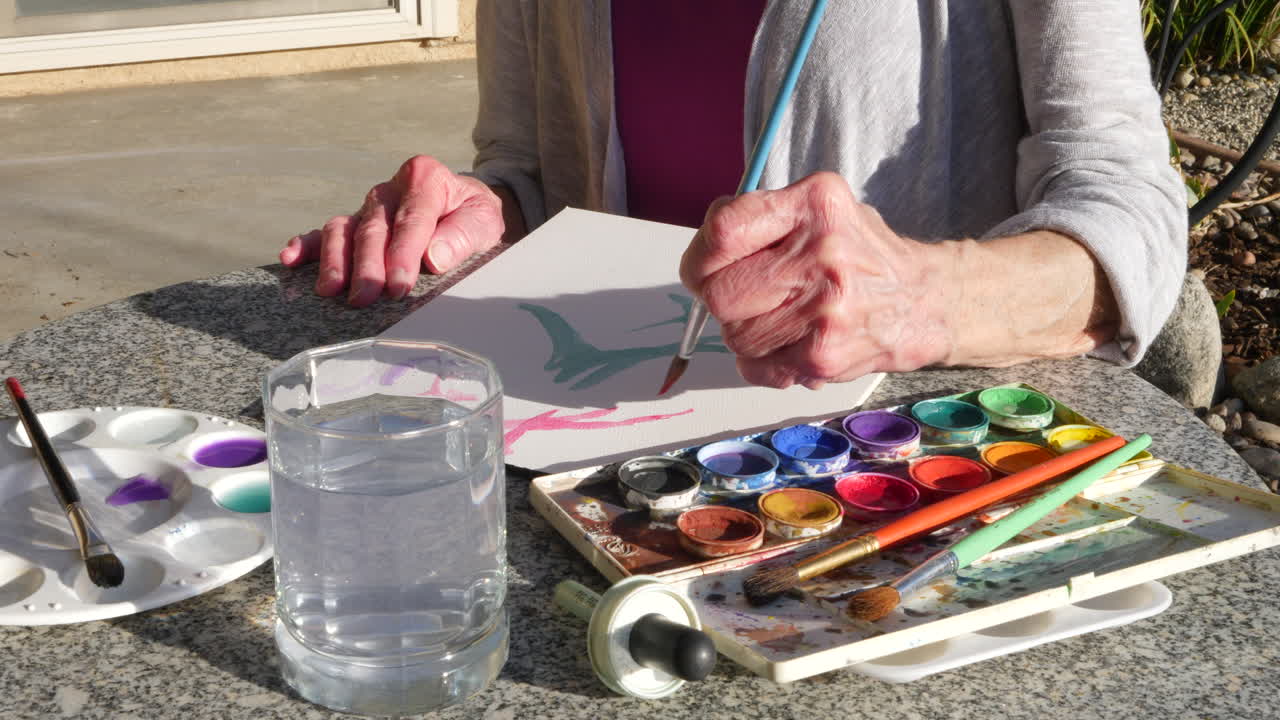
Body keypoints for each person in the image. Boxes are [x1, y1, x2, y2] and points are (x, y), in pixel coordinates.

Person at [280, 1, 1186, 390]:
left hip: (890, 478)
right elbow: (530, 167)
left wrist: (922, 299)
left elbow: (1128, 203)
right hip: (602, 467)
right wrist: (486, 213)